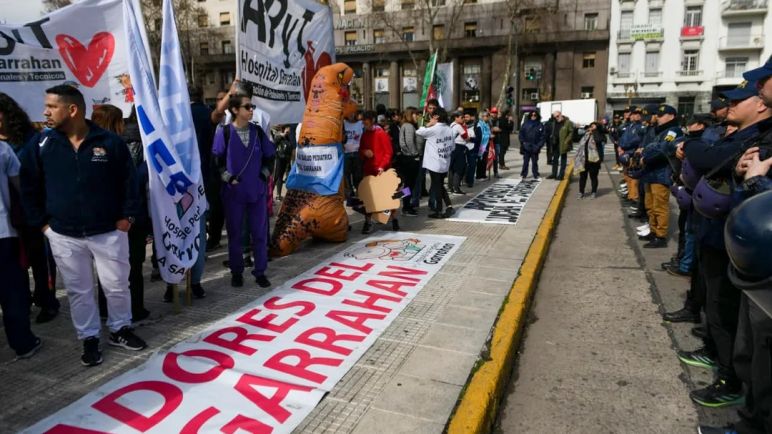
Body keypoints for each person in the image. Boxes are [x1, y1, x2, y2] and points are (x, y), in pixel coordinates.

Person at [20, 85, 146, 367]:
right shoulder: (42, 144)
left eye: (52, 107)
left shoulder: (110, 142)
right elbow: (27, 187)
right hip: (63, 234)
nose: (45, 112)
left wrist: (128, 217)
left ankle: (120, 329)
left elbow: (130, 183)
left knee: (116, 286)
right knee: (80, 290)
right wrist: (42, 225)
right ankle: (89, 337)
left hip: (109, 231)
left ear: (72, 109)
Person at [679, 80, 771, 409]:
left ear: (760, 105)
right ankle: (718, 355)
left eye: (737, 101)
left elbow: (706, 156)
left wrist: (689, 145)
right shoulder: (735, 134)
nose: (728, 106)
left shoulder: (757, 139)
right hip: (716, 232)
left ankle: (728, 377)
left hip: (736, 240)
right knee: (716, 303)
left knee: (727, 310)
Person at [90, 105, 155, 320]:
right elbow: (131, 182)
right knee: (132, 266)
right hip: (127, 217)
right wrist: (148, 167)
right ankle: (134, 310)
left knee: (107, 269)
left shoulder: (85, 147)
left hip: (102, 219)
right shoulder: (119, 147)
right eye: (120, 121)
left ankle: (106, 309)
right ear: (115, 123)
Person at [0, 92, 60, 324]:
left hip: (32, 211)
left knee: (40, 259)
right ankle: (22, 301)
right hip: (7, 217)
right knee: (16, 263)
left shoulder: (32, 139)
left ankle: (47, 300)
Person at [212, 95, 275, 289]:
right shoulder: (224, 132)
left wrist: (263, 177)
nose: (251, 110)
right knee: (235, 234)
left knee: (259, 234)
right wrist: (228, 178)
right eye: (247, 107)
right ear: (234, 110)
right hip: (234, 193)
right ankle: (237, 272)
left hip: (256, 192)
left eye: (252, 106)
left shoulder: (257, 131)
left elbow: (270, 156)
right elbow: (216, 161)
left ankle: (260, 271)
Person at [0, 137, 42, 360]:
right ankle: (23, 343)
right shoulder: (2, 148)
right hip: (3, 232)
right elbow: (20, 186)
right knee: (12, 291)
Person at [638, 104, 683, 248]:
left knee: (659, 206)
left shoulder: (673, 131)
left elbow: (664, 150)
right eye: (658, 114)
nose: (658, 117)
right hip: (651, 172)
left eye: (662, 115)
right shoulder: (660, 131)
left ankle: (660, 235)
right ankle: (653, 230)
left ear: (671, 116)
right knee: (649, 205)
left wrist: (645, 158)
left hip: (661, 173)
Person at [359, 110, 397, 233]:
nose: (364, 122)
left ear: (372, 120)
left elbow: (388, 152)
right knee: (367, 198)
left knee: (387, 197)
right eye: (363, 120)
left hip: (381, 171)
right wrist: (364, 152)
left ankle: (394, 219)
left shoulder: (381, 134)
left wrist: (382, 166)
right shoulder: (364, 134)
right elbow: (361, 150)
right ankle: (368, 222)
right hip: (369, 171)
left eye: (366, 120)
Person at [417, 108, 455, 219]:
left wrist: (429, 124)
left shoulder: (434, 129)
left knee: (437, 186)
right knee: (439, 185)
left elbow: (419, 131)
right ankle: (448, 206)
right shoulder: (449, 129)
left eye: (431, 116)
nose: (429, 118)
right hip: (444, 162)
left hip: (434, 163)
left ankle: (439, 210)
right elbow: (453, 147)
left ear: (436, 117)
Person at [398, 107, 420, 216]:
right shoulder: (410, 126)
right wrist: (415, 153)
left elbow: (402, 143)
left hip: (405, 158)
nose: (417, 116)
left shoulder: (404, 125)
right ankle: (406, 206)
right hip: (411, 159)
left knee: (407, 184)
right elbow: (409, 142)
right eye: (415, 114)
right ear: (410, 115)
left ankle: (405, 204)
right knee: (410, 184)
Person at [574, 122, 604, 199]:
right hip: (584, 159)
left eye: (593, 126)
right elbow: (575, 138)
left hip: (594, 160)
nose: (591, 127)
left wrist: (594, 132)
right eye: (591, 126)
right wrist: (576, 129)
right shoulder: (586, 135)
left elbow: (598, 140)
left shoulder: (599, 134)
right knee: (582, 177)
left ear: (597, 127)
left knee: (593, 176)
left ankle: (593, 192)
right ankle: (581, 192)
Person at [449, 111, 472, 194]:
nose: (463, 119)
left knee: (452, 168)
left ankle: (451, 187)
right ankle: (456, 187)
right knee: (459, 168)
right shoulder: (458, 126)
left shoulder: (451, 125)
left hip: (452, 147)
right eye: (461, 117)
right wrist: (469, 137)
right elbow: (466, 137)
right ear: (456, 117)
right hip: (459, 147)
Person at [343, 110, 364, 201]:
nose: (351, 115)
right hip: (346, 153)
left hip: (357, 152)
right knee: (346, 175)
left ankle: (359, 191)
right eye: (349, 113)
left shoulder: (360, 124)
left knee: (358, 175)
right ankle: (349, 194)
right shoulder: (343, 124)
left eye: (352, 113)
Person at [518, 111, 545, 180]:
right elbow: (521, 134)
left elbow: (543, 137)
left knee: (535, 162)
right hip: (526, 146)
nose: (533, 116)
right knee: (525, 162)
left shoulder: (540, 125)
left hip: (535, 146)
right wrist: (523, 143)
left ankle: (535, 174)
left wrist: (539, 146)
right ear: (530, 116)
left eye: (535, 115)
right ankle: (524, 174)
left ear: (537, 116)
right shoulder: (525, 124)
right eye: (532, 115)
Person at [271, 124, 294, 200]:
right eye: (288, 128)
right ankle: (270, 196)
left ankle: (278, 195)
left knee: (280, 178)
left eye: (289, 129)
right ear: (284, 129)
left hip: (285, 160)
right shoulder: (278, 136)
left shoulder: (288, 138)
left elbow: (290, 148)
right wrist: (282, 135)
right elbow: (274, 144)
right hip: (278, 160)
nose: (289, 130)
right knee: (275, 178)